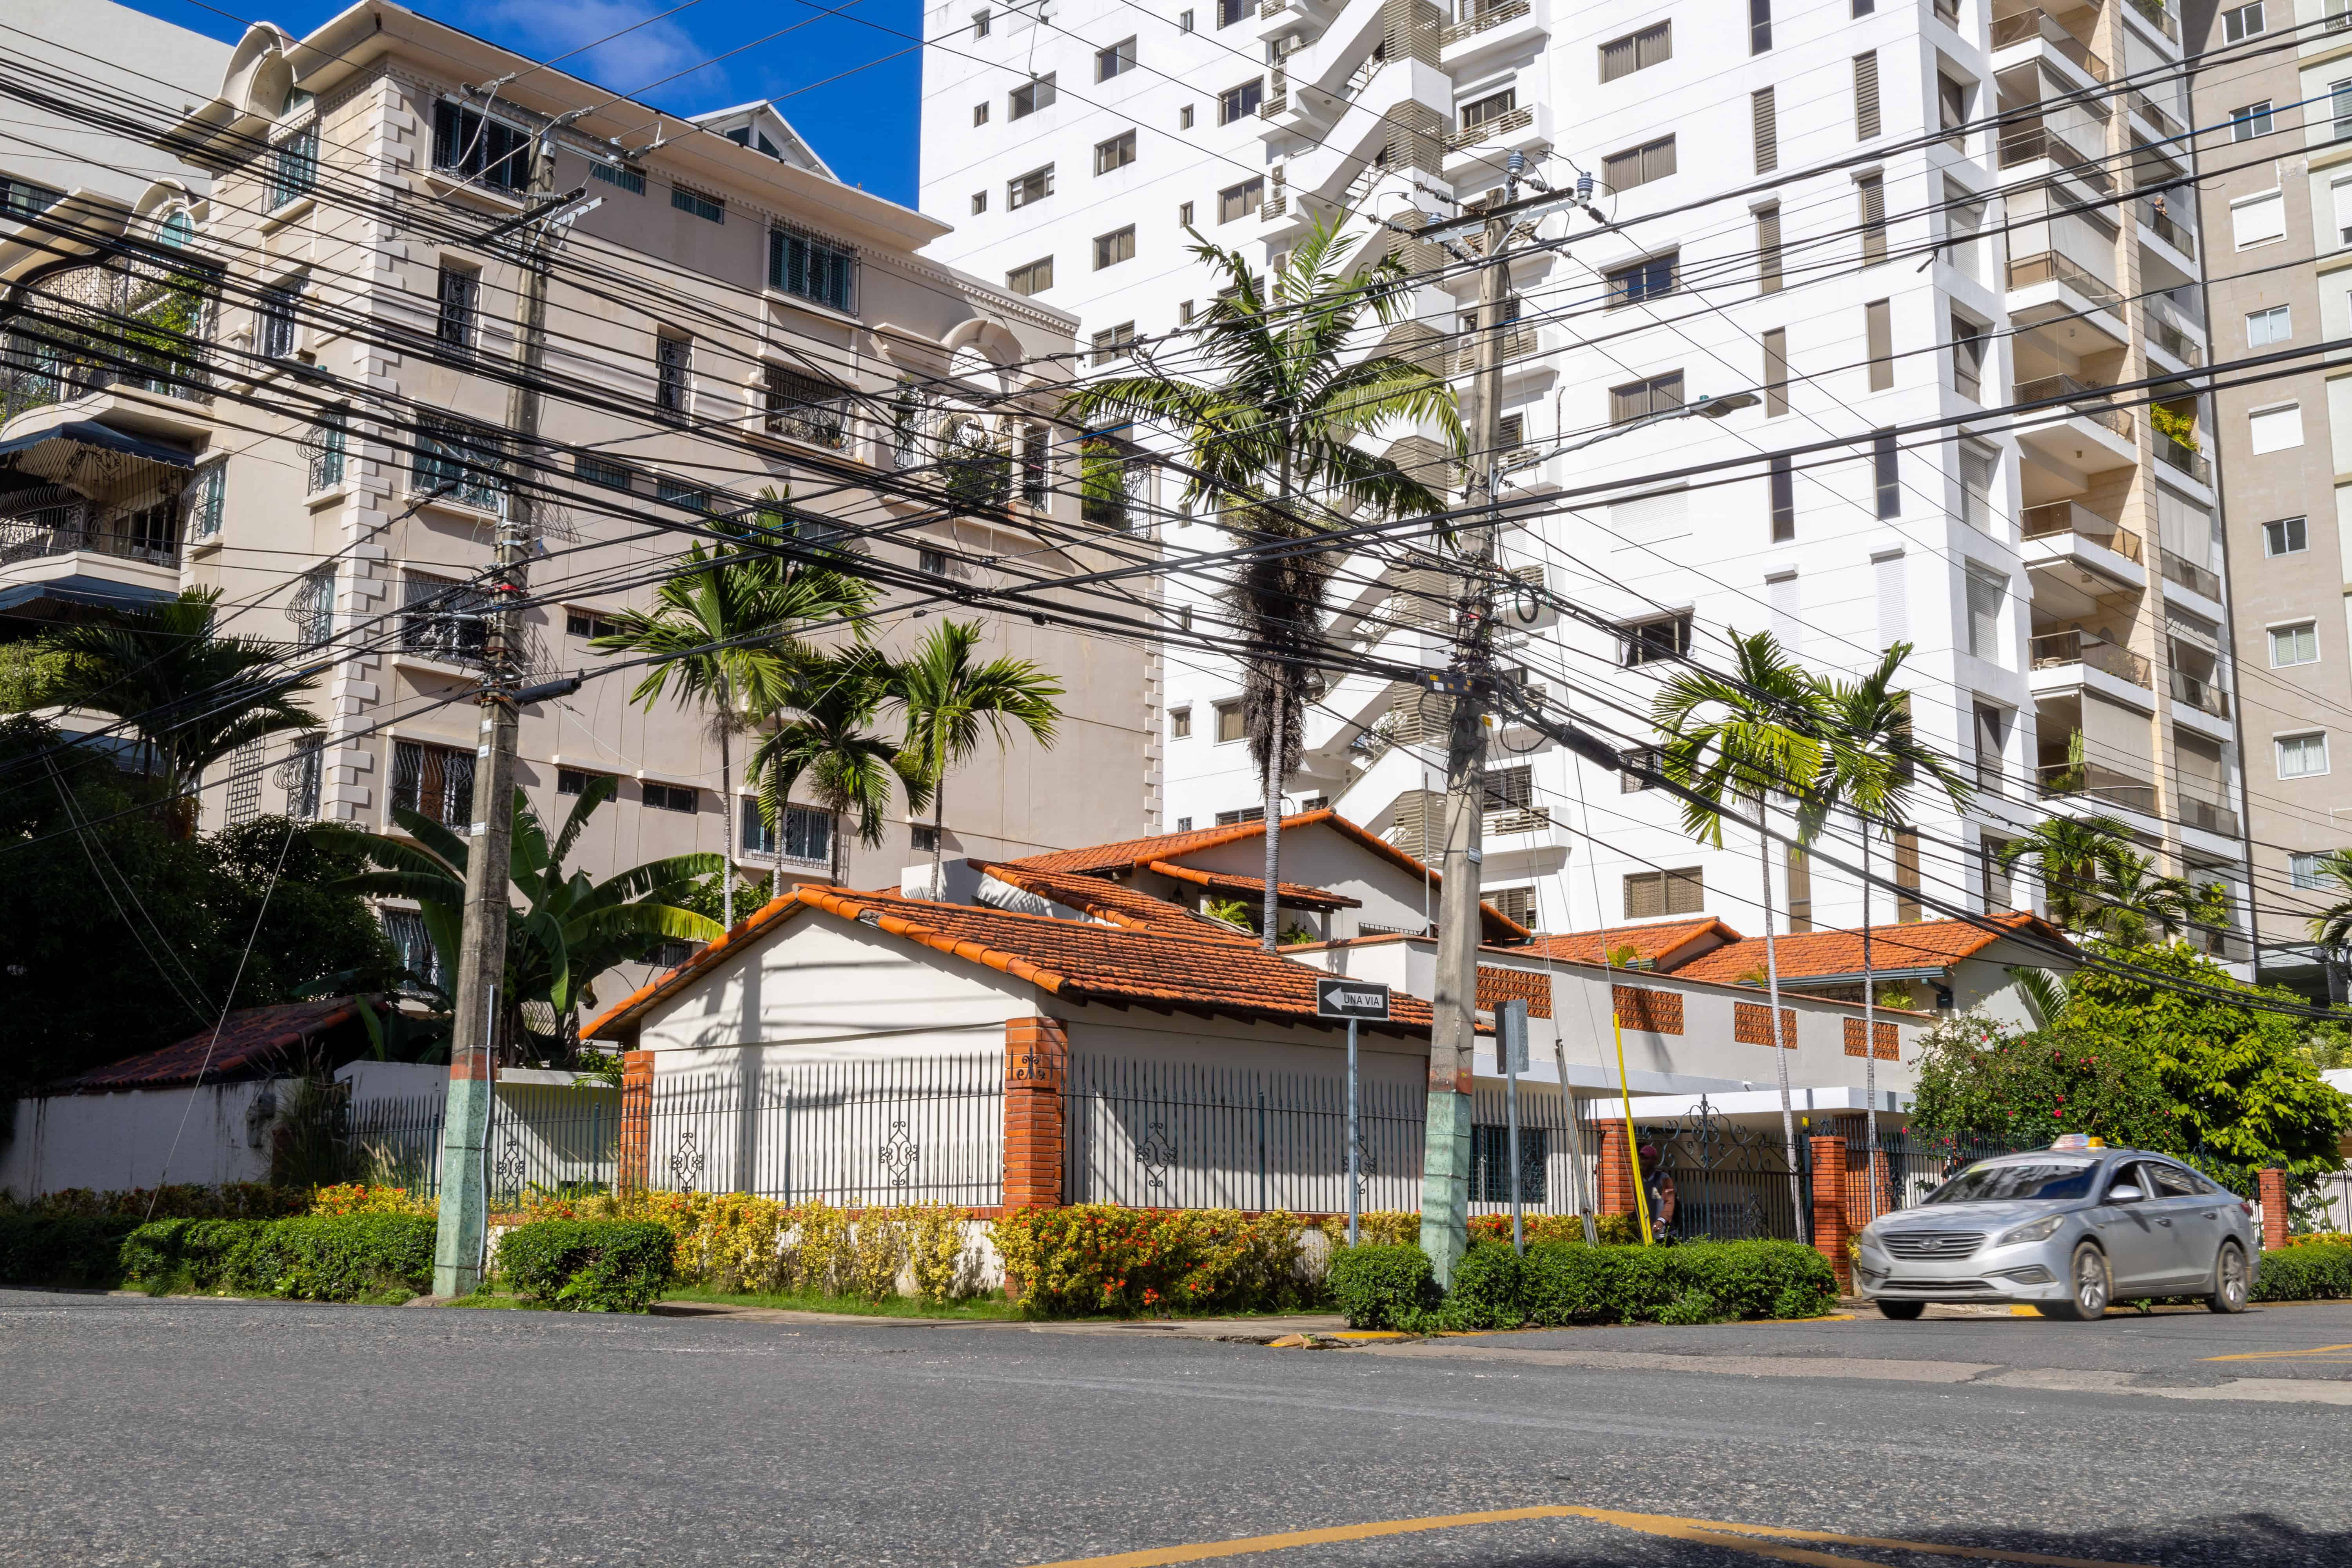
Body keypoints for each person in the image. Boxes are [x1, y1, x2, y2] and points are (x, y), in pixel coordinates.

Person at [1636, 1142, 1679, 1240]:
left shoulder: (1664, 1179)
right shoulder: (1639, 1180)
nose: (1643, 1162)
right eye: (1642, 1159)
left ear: (1654, 1160)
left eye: (1647, 1159)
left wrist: (1662, 1220)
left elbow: (1670, 1202)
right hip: (1646, 1232)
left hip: (1664, 1233)